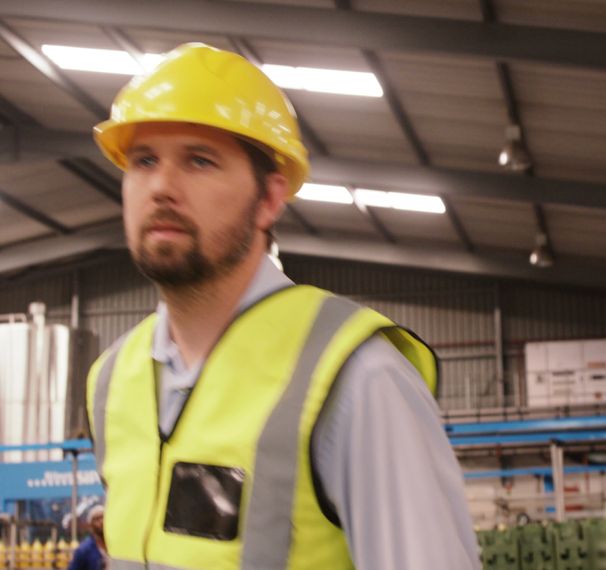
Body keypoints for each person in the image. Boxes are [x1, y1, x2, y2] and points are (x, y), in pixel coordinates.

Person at [84, 43, 480, 570]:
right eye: (143, 161)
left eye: (200, 160)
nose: (161, 187)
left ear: (270, 199)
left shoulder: (354, 377)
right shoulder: (112, 381)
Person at [68, 505, 106, 570]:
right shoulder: (83, 550)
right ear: (90, 525)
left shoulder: (115, 547)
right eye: (97, 519)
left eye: (103, 518)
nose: (101, 522)